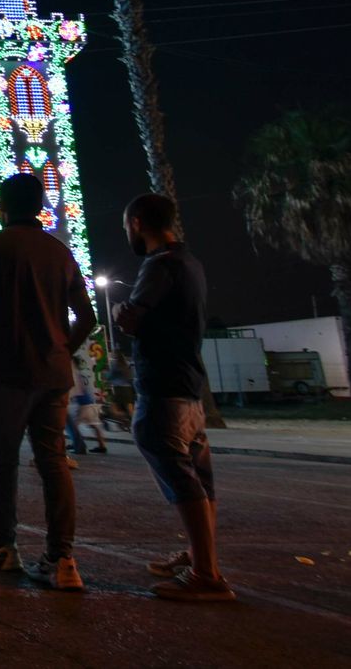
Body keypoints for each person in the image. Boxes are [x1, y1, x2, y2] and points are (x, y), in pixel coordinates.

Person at [0, 173, 96, 592]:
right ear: (40, 207)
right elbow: (87, 317)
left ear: (1, 205)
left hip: (7, 368)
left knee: (3, 460)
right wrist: (61, 347)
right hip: (53, 373)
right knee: (53, 460)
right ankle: (62, 558)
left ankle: (3, 544)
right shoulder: (61, 252)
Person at [113, 193, 235, 602]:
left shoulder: (159, 265)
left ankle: (206, 573)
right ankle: (200, 557)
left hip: (163, 385)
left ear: (136, 223)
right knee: (199, 479)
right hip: (189, 385)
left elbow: (133, 318)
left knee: (183, 480)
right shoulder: (191, 263)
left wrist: (117, 312)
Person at [68, 347, 108, 455]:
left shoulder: (73, 373)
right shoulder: (80, 373)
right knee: (94, 424)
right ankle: (102, 445)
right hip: (89, 401)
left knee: (73, 425)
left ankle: (77, 443)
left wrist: (70, 398)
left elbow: (76, 390)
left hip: (82, 403)